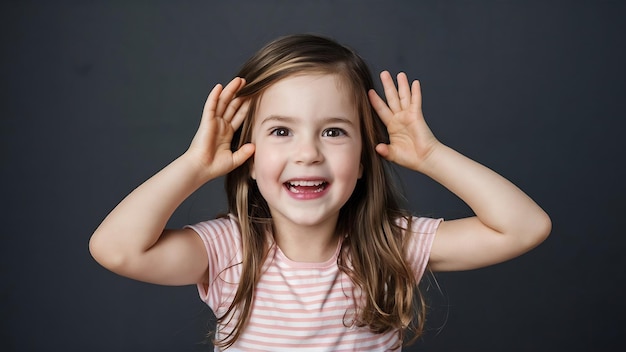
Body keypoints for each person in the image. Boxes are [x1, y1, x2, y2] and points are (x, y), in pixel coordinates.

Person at [89, 34, 551, 351]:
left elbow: (524, 228)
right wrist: (194, 167)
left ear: (367, 157)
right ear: (247, 158)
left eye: (333, 132)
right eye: (281, 132)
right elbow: (116, 250)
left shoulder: (391, 246)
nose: (308, 153)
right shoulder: (229, 252)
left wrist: (431, 156)